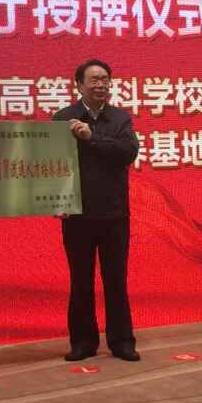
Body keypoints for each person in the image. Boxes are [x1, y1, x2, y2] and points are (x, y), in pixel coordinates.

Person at [52, 59, 141, 362]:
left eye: (105, 79)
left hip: (114, 213)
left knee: (116, 280)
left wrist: (92, 137)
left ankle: (122, 341)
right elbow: (52, 165)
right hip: (76, 214)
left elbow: (128, 152)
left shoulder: (120, 118)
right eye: (94, 80)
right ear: (79, 85)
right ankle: (83, 342)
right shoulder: (63, 118)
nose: (100, 85)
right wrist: (55, 201)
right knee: (81, 281)